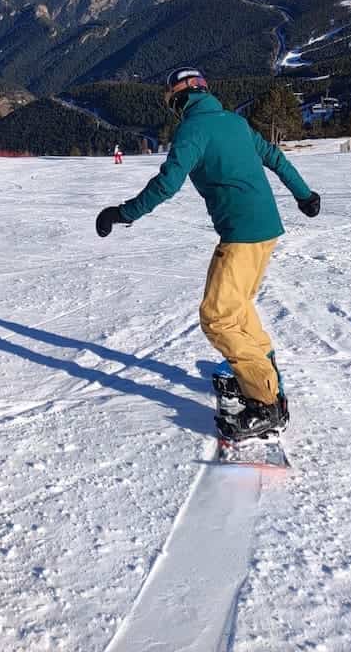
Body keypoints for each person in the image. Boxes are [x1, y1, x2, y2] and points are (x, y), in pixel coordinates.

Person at [95, 67, 320, 440]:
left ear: (177, 100)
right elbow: (275, 159)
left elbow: (167, 184)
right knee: (239, 306)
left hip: (241, 235)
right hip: (266, 231)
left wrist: (122, 213)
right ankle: (263, 377)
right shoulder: (235, 122)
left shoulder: (192, 130)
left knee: (217, 317)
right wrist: (304, 195)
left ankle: (265, 401)